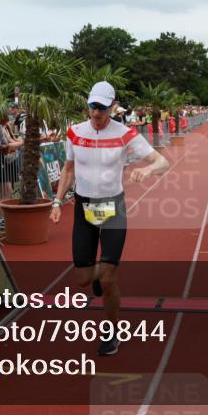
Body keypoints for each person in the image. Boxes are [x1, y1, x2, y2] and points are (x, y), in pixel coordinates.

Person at [49, 81, 169, 356]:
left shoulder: (125, 134)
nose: (96, 113)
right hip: (83, 208)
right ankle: (96, 275)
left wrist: (149, 170)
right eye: (93, 106)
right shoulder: (75, 132)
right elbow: (68, 170)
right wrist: (57, 202)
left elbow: (162, 162)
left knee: (108, 277)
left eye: (102, 108)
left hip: (113, 208)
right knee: (82, 279)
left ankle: (112, 331)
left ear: (113, 107)